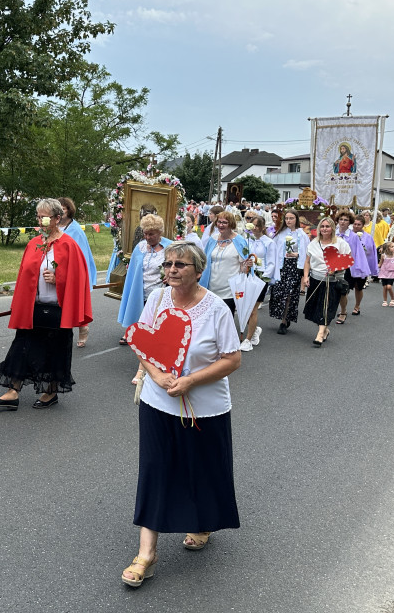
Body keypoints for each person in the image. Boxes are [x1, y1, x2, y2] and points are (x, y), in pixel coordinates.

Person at [122, 242, 241, 588]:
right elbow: (141, 342)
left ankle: (202, 522)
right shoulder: (157, 300)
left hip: (206, 406)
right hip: (157, 401)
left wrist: (190, 380)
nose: (172, 269)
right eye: (168, 264)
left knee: (201, 467)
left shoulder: (216, 308)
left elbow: (232, 359)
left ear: (198, 271)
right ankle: (147, 553)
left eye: (181, 265)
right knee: (155, 469)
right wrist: (156, 376)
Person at [0, 198, 92, 410]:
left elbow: (79, 279)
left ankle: (51, 391)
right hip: (34, 307)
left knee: (55, 349)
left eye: (44, 216)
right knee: (22, 345)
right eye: (38, 216)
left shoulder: (69, 245)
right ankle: (12, 391)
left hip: (57, 309)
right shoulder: (34, 243)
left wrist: (58, 280)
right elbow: (24, 276)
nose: (40, 220)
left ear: (56, 218)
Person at [199, 211, 250, 348]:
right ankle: (210, 344)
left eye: (224, 222)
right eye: (219, 222)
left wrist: (247, 266)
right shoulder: (213, 239)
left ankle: (226, 347)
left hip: (229, 288)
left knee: (225, 318)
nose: (221, 225)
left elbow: (243, 268)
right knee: (209, 317)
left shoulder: (239, 241)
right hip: (211, 285)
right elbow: (204, 260)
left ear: (231, 224)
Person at [118, 213, 171, 339]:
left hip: (159, 289)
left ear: (160, 232)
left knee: (156, 319)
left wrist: (169, 276)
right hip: (141, 288)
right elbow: (133, 270)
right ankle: (133, 330)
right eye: (145, 233)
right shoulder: (140, 247)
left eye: (151, 234)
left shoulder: (170, 247)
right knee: (139, 312)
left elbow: (177, 266)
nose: (147, 237)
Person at [302, 217, 351, 347]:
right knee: (315, 308)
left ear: (332, 229)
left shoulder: (340, 243)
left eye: (327, 226)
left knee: (326, 307)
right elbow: (307, 261)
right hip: (315, 279)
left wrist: (335, 269)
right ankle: (325, 330)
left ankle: (319, 334)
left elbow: (348, 261)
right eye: (322, 226)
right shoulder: (313, 243)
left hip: (332, 281)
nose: (324, 229)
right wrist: (306, 276)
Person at [59, 197, 97, 348]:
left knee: (77, 300)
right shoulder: (54, 227)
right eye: (59, 208)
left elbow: (81, 256)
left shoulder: (75, 230)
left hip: (72, 269)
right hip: (56, 270)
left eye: (64, 208)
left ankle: (83, 327)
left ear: (69, 210)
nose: (61, 211)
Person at [269, 209, 310, 334]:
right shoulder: (280, 234)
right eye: (286, 218)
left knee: (289, 295)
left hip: (294, 266)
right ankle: (283, 315)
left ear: (296, 219)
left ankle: (284, 320)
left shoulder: (301, 234)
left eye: (291, 218)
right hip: (282, 266)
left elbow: (307, 253)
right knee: (280, 293)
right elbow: (273, 249)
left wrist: (297, 255)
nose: (288, 221)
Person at [244, 216, 275, 349]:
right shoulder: (247, 240)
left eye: (257, 226)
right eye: (253, 225)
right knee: (243, 308)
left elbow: (272, 263)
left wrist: (263, 278)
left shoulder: (269, 242)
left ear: (263, 228)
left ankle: (248, 339)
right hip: (247, 276)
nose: (255, 228)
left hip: (260, 277)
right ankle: (254, 329)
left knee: (252, 310)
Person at [334, 211, 367, 323]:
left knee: (343, 291)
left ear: (350, 223)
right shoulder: (333, 233)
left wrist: (358, 268)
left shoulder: (353, 236)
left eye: (346, 220)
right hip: (333, 266)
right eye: (341, 219)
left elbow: (358, 253)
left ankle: (343, 312)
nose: (343, 222)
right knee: (333, 290)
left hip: (347, 267)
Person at [346, 215, 378, 316]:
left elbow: (371, 252)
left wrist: (373, 268)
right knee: (345, 287)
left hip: (361, 265)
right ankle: (343, 308)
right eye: (354, 224)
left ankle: (357, 306)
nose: (356, 226)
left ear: (363, 225)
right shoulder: (348, 235)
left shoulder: (368, 237)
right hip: (349, 265)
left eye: (359, 224)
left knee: (358, 287)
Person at [377, 241, 394, 306]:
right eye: (392, 247)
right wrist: (373, 267)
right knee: (384, 287)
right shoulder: (383, 256)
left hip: (392, 273)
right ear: (387, 248)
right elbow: (380, 264)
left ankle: (392, 299)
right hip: (384, 273)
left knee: (389, 287)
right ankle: (385, 300)